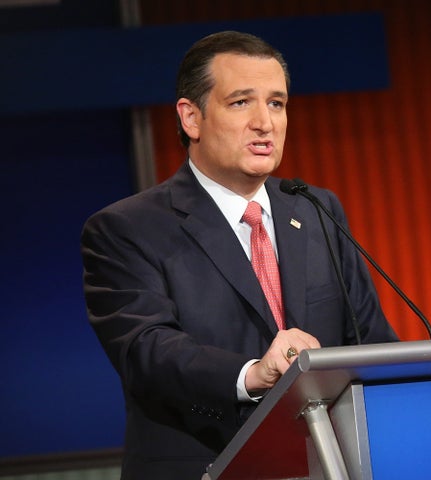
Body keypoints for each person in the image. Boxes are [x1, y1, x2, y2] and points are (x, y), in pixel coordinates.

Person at [81, 31, 398, 479]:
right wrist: (252, 372)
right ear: (191, 118)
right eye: (240, 103)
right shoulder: (127, 228)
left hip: (326, 465)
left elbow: (370, 339)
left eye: (276, 103)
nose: (265, 123)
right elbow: (146, 351)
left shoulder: (315, 209)